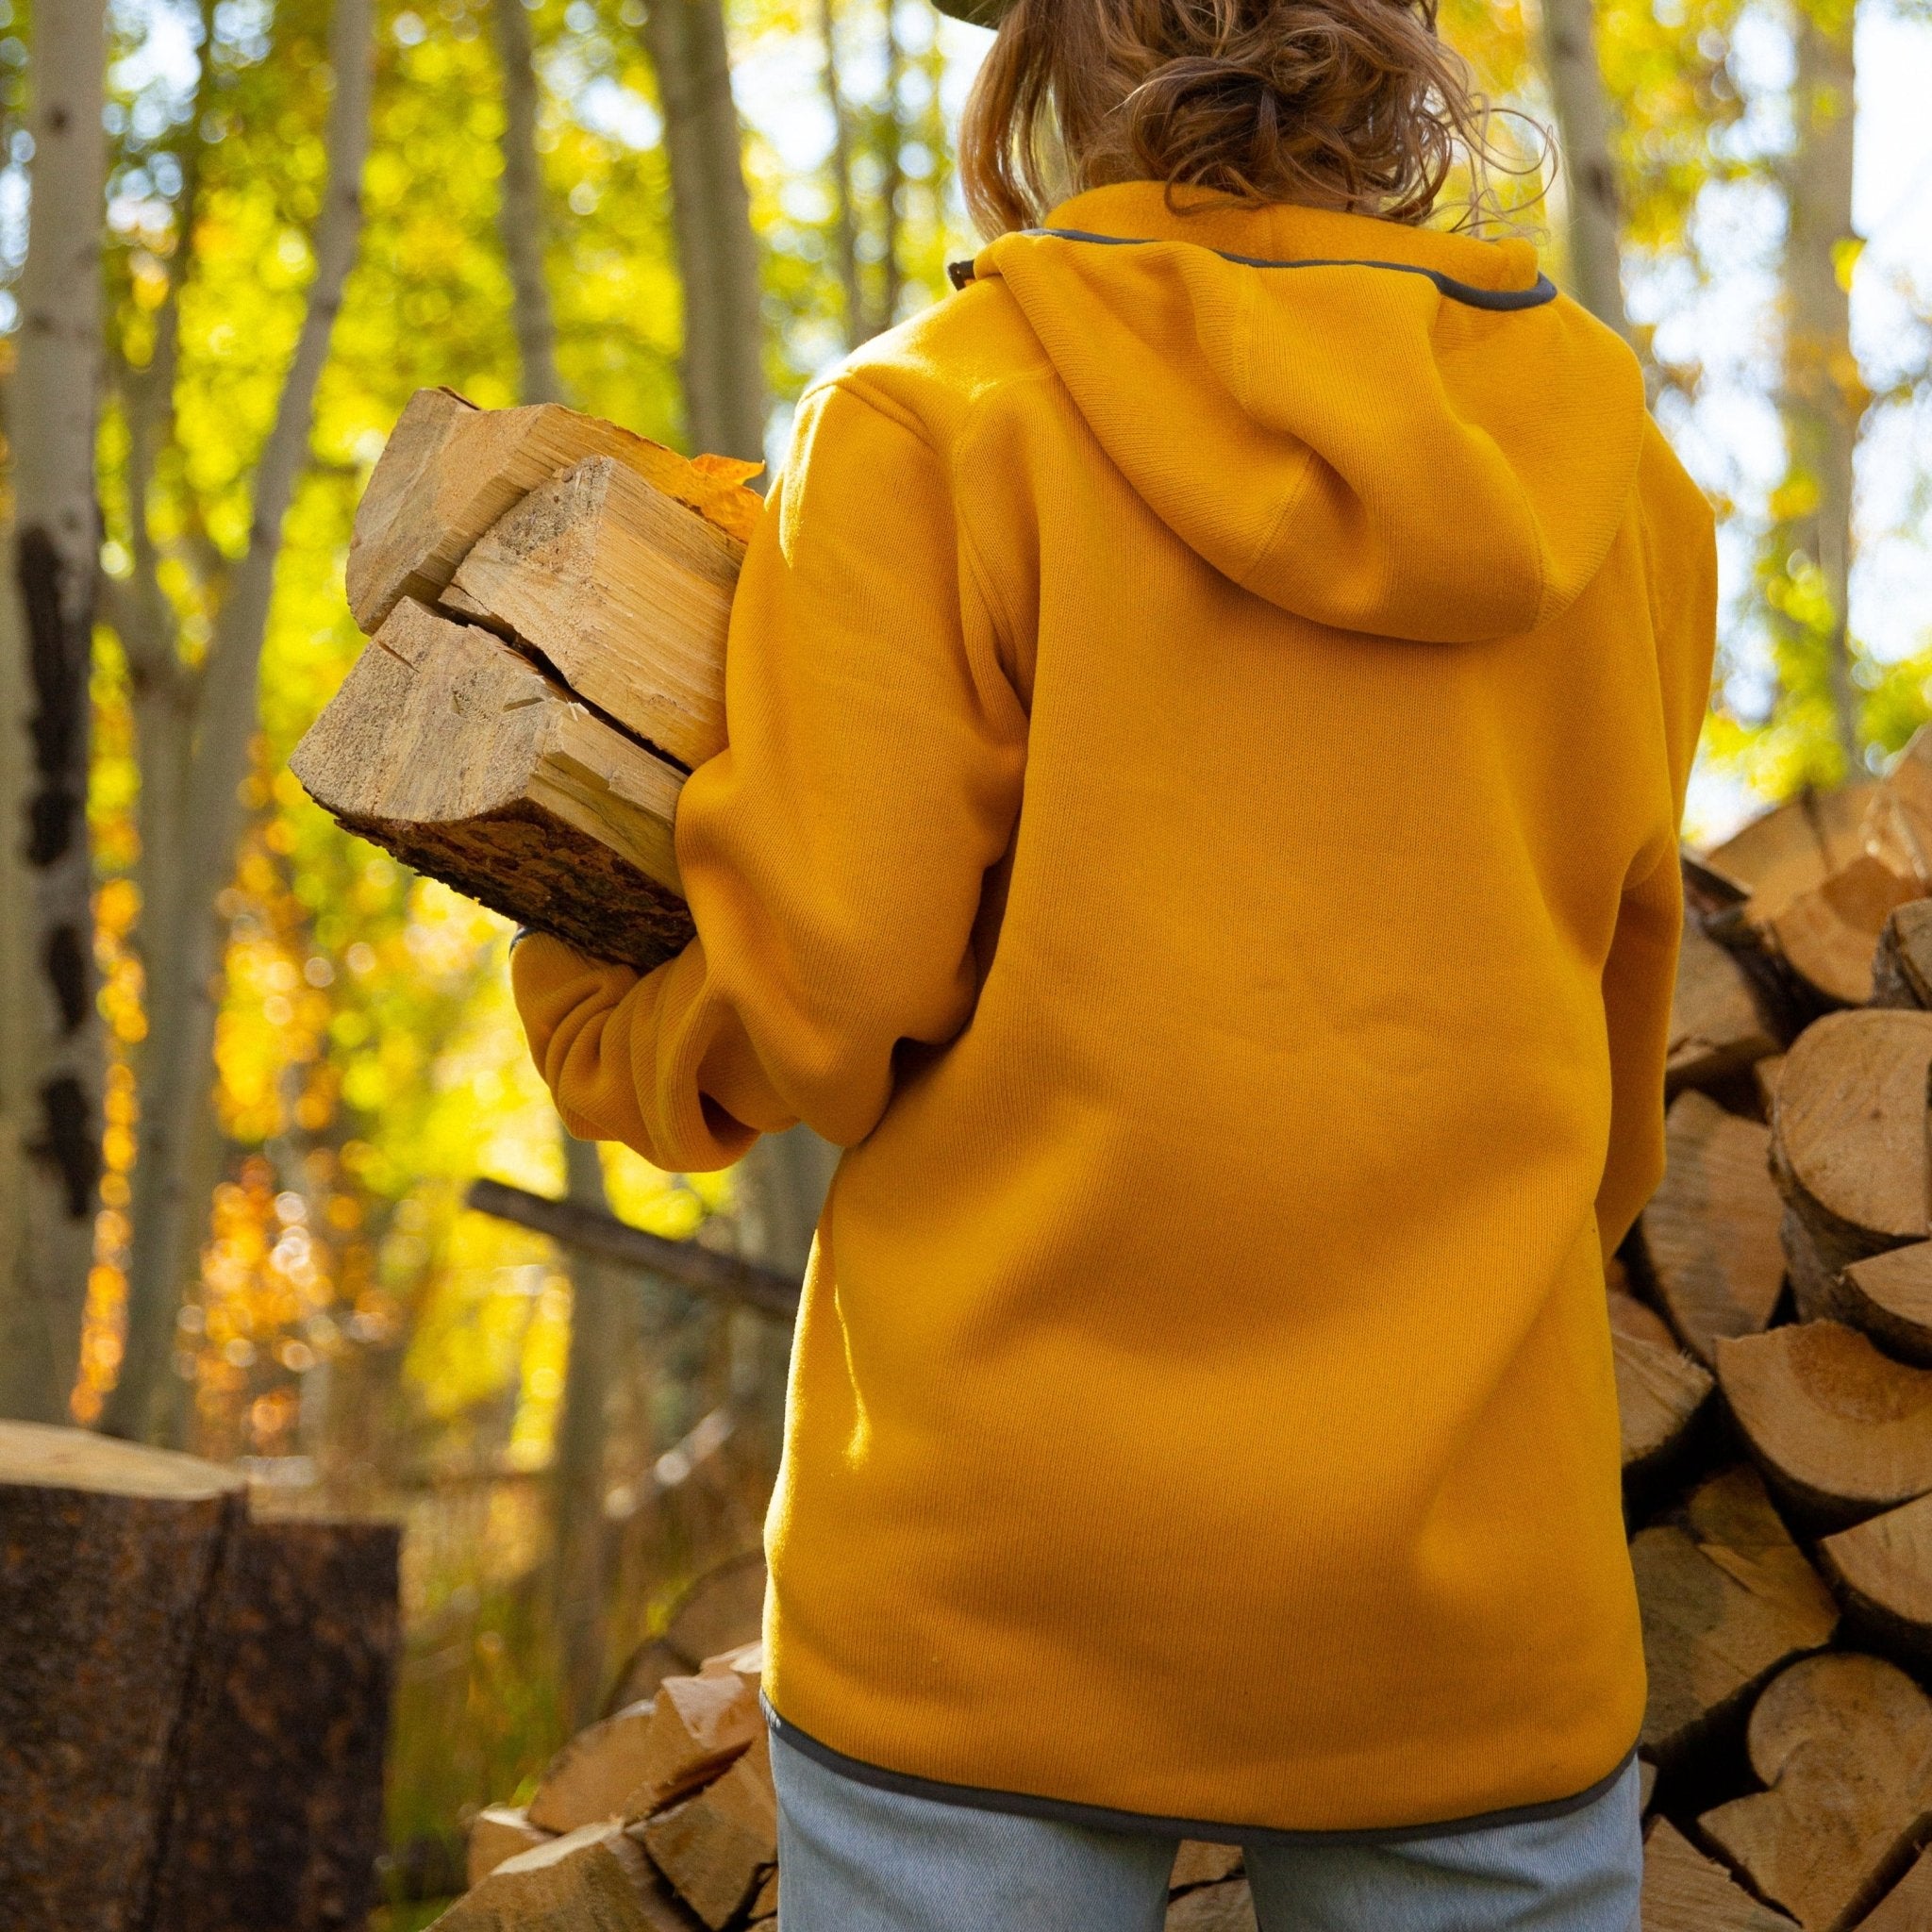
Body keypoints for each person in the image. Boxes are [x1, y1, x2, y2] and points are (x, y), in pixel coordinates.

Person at [509, 0, 1715, 1921]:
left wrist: (595, 1018)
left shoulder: (929, 416)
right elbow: (1618, 1024)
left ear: (1039, 62)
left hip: (990, 1577)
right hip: (1468, 1583)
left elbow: (822, 983)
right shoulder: (1617, 479)